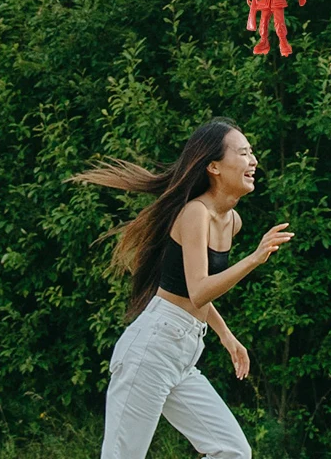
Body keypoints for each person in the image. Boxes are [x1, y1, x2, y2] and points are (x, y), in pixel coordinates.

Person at [72, 117, 294, 459]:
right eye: (244, 152)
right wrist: (254, 258)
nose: (253, 161)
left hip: (183, 351)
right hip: (152, 348)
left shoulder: (232, 221)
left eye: (252, 153)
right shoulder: (196, 213)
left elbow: (192, 291)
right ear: (214, 166)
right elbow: (199, 291)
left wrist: (226, 335)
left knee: (233, 451)